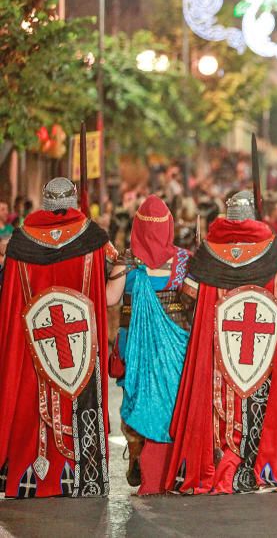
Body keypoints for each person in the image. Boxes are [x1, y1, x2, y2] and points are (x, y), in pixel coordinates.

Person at [167, 191, 277, 494]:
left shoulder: (208, 251)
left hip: (220, 350)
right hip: (261, 351)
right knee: (259, 401)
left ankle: (220, 464)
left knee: (221, 404)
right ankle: (256, 466)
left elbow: (189, 295)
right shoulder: (274, 250)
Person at [0, 178, 112, 498]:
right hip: (78, 350)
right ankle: (80, 478)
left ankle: (29, 482)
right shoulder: (91, 238)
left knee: (29, 400)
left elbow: (11, 306)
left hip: (32, 348)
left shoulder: (21, 241)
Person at [106, 196, 193, 494]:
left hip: (134, 345)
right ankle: (171, 464)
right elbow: (195, 299)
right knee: (170, 401)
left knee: (136, 396)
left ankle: (134, 449)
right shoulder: (182, 260)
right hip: (174, 345)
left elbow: (109, 299)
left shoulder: (127, 261)